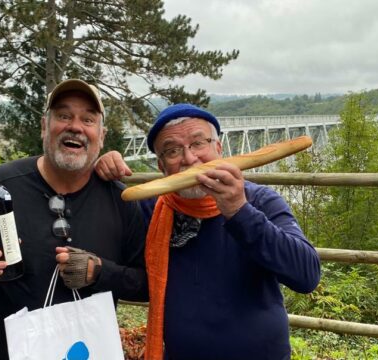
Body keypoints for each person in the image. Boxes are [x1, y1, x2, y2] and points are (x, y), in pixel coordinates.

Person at [95, 103, 321, 360]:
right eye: (172, 151)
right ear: (161, 166)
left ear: (219, 148)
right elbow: (101, 226)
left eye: (198, 143)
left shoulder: (259, 200)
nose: (189, 159)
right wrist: (99, 171)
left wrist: (239, 211)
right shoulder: (150, 210)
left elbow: (307, 275)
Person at [0, 79, 148, 360]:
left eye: (88, 119)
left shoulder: (121, 201)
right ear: (44, 126)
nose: (75, 126)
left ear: (101, 136)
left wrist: (101, 273)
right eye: (63, 116)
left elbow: (148, 284)